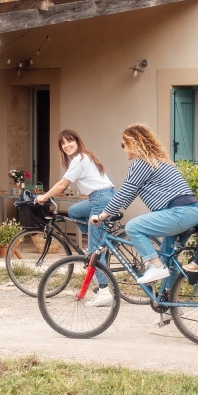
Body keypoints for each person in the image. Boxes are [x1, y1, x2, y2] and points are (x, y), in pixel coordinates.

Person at [91, 124, 198, 289]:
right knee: (168, 259)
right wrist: (114, 211)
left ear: (133, 143)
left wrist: (102, 215)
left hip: (179, 213)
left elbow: (124, 192)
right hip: (192, 212)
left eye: (123, 144)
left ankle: (155, 267)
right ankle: (167, 306)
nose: (123, 149)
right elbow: (130, 193)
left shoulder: (142, 163)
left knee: (133, 227)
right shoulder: (157, 161)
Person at [35, 130, 115, 305]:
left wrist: (44, 196)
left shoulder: (79, 160)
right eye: (63, 143)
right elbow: (65, 182)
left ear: (78, 142)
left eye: (70, 141)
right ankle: (97, 239)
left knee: (94, 251)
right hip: (101, 197)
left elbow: (63, 183)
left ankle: (103, 291)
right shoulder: (82, 158)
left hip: (100, 199)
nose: (66, 145)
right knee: (74, 211)